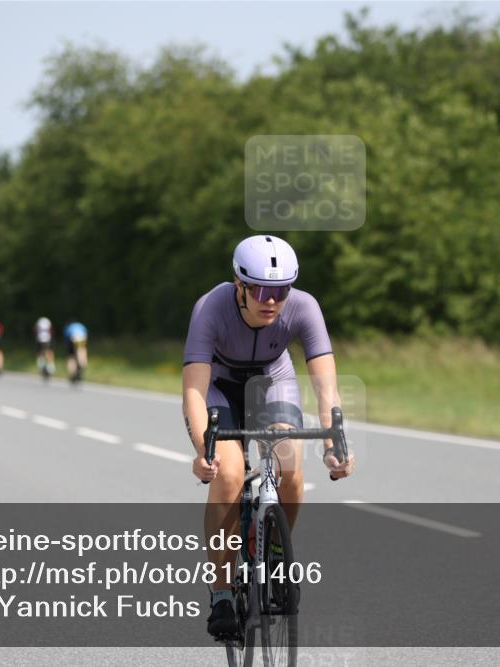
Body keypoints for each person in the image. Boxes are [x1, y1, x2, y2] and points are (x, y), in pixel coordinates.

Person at [182, 235, 355, 638]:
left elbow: (326, 385)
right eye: (260, 289)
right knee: (228, 474)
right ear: (239, 285)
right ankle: (221, 593)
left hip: (272, 379)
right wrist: (201, 450)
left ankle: (274, 547)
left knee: (290, 465)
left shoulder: (304, 307)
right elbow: (194, 387)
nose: (271, 300)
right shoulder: (210, 308)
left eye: (280, 290)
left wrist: (334, 444)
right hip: (218, 387)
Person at [63, 319, 88, 384]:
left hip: (72, 338)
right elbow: (85, 334)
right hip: (82, 338)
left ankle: (72, 374)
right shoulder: (81, 325)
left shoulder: (69, 327)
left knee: (71, 357)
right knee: (82, 351)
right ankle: (82, 364)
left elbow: (66, 337)